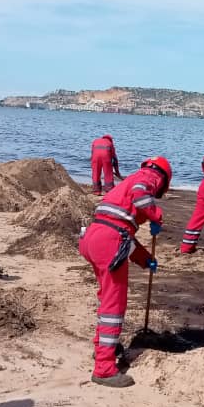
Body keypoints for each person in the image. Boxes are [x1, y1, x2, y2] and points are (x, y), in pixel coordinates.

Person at [78, 156, 170, 387]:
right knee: (113, 306)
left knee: (106, 298)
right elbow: (140, 197)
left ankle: (103, 347)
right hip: (109, 239)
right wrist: (156, 215)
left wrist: (145, 259)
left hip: (95, 236)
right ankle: (104, 368)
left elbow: (120, 231)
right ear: (164, 178)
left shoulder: (127, 183)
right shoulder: (149, 178)